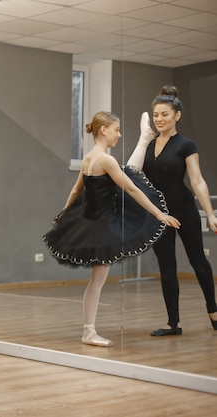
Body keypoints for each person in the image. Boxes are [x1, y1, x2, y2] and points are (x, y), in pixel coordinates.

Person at [43, 111, 180, 347]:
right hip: (104, 222)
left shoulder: (88, 158)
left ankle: (144, 138)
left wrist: (63, 215)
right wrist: (159, 214)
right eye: (116, 129)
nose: (118, 134)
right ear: (104, 130)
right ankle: (88, 331)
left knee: (131, 171)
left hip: (96, 216)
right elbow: (133, 191)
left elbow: (76, 191)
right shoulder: (106, 160)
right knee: (97, 282)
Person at [125, 85, 217, 336]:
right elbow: (134, 173)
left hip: (184, 210)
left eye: (164, 114)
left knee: (198, 260)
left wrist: (210, 213)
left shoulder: (186, 145)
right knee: (167, 267)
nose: (159, 119)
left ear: (177, 115)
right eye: (156, 115)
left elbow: (197, 181)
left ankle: (214, 311)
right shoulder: (149, 143)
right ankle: (173, 323)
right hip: (159, 214)